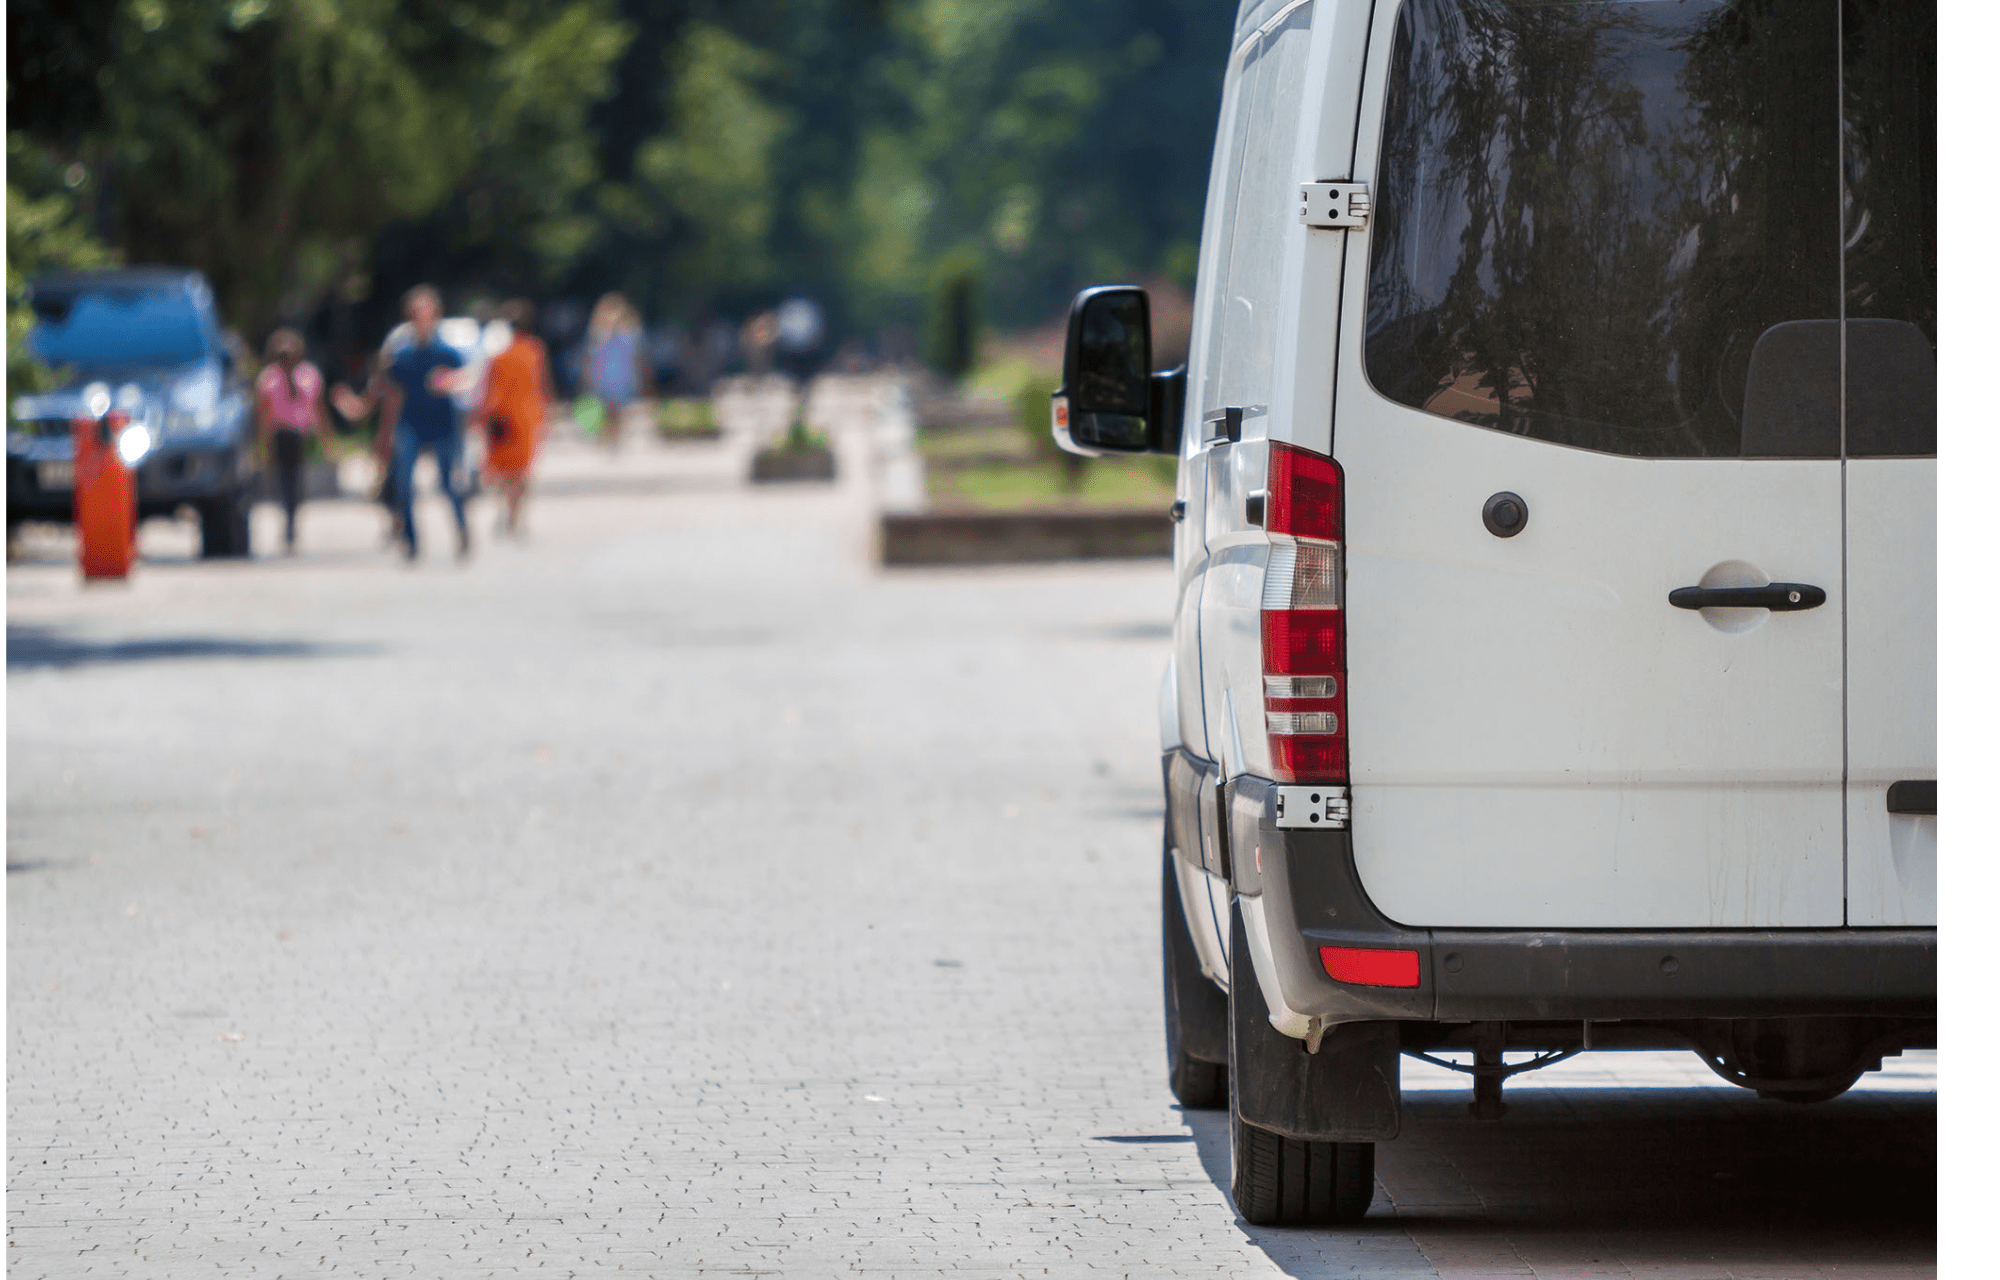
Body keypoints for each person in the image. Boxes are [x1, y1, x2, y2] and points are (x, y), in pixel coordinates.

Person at [334, 285, 472, 563]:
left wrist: (452, 382)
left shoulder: (447, 353)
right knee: (404, 485)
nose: (422, 318)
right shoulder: (401, 355)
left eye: (427, 311)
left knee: (447, 484)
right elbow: (382, 391)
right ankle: (411, 541)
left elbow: (469, 380)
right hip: (410, 425)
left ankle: (462, 531)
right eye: (416, 313)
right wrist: (357, 408)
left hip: (442, 424)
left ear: (436, 315)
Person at [473, 298, 552, 539]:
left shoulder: (498, 352)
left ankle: (503, 511)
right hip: (527, 416)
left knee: (501, 470)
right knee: (521, 471)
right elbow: (544, 384)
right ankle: (516, 515)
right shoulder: (534, 350)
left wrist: (480, 417)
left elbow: (487, 388)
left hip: (502, 416)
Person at [253, 327, 332, 554]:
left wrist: (326, 438)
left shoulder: (308, 375)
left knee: (296, 480)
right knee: (284, 480)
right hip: (281, 435)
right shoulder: (269, 378)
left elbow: (317, 409)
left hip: (299, 435)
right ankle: (287, 521)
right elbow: (264, 415)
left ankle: (292, 520)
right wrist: (262, 444)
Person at [582, 292, 650, 452]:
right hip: (603, 376)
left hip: (622, 376)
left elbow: (637, 356)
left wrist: (643, 377)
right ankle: (607, 438)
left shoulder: (631, 331)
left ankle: (614, 440)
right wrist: (586, 377)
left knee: (619, 409)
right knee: (606, 408)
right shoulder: (597, 332)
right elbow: (589, 357)